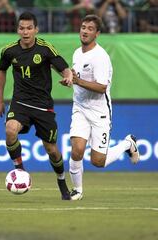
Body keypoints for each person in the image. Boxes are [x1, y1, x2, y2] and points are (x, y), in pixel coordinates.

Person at [0, 11, 73, 200]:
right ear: (17, 30)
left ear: (36, 29)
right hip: (20, 102)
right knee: (10, 130)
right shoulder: (9, 51)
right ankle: (20, 170)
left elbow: (63, 67)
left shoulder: (45, 48)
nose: (25, 32)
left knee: (52, 151)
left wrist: (68, 76)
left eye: (29, 28)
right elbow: (1, 71)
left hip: (43, 106)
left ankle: (62, 181)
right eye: (22, 28)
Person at [68, 14, 140, 201]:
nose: (85, 31)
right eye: (83, 27)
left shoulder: (100, 57)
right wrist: (71, 81)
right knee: (76, 150)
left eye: (90, 29)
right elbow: (78, 78)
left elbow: (101, 88)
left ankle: (127, 143)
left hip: (99, 111)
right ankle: (77, 190)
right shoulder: (77, 52)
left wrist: (78, 80)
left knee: (98, 161)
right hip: (80, 108)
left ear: (97, 34)